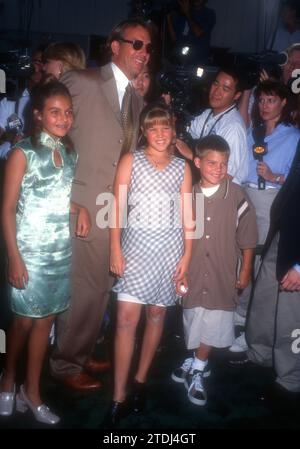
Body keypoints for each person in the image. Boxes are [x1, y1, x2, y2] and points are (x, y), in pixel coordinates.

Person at [49, 19, 152, 391]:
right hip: (85, 206)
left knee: (104, 285)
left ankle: (82, 348)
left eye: (148, 48)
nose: (144, 53)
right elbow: (51, 134)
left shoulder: (137, 101)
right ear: (115, 46)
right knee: (87, 287)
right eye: (137, 44)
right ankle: (64, 364)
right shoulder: (84, 82)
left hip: (116, 210)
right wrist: (72, 200)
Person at [0, 80, 91, 423]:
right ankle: (8, 378)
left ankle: (32, 390)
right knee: (23, 322)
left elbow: (58, 197)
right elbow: (7, 208)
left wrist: (79, 208)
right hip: (28, 250)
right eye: (55, 111)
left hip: (58, 251)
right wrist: (15, 256)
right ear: (37, 115)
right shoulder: (22, 153)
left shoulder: (70, 153)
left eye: (68, 112)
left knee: (46, 321)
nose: (64, 118)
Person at [109, 102, 193, 423]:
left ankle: (140, 381)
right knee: (126, 321)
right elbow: (116, 207)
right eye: (153, 127)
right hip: (136, 248)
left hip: (170, 251)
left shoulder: (182, 167)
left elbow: (188, 214)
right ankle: (118, 396)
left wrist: (187, 254)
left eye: (166, 126)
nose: (160, 133)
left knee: (157, 315)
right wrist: (115, 248)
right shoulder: (131, 160)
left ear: (173, 130)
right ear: (143, 131)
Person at [171, 135, 257, 406]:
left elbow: (248, 237)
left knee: (214, 319)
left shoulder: (237, 195)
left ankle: (199, 366)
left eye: (224, 163)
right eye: (212, 163)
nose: (219, 169)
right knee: (194, 317)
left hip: (221, 273)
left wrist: (245, 270)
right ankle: (197, 358)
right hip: (194, 272)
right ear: (197, 162)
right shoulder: (188, 195)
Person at [229, 80, 300, 354]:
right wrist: (247, 91)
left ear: (283, 103)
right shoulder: (252, 132)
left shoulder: (293, 137)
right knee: (241, 257)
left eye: (271, 100)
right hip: (245, 198)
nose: (265, 106)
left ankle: (251, 324)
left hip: (271, 200)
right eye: (262, 100)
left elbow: (294, 182)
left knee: (260, 263)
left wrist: (274, 176)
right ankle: (237, 313)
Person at [246, 138, 300, 404]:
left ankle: (291, 379)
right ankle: (261, 353)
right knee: (265, 298)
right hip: (284, 230)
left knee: (293, 315)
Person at [177, 67, 249, 185]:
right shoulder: (207, 114)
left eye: (225, 89)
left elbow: (226, 176)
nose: (216, 92)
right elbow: (186, 134)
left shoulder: (233, 127)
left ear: (236, 95)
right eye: (215, 84)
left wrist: (192, 156)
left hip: (222, 194)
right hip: (203, 186)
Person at [167, 0, 216, 65]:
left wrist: (187, 13)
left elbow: (199, 33)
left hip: (198, 61)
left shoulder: (209, 13)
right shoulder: (180, 13)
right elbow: (174, 38)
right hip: (179, 60)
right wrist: (168, 18)